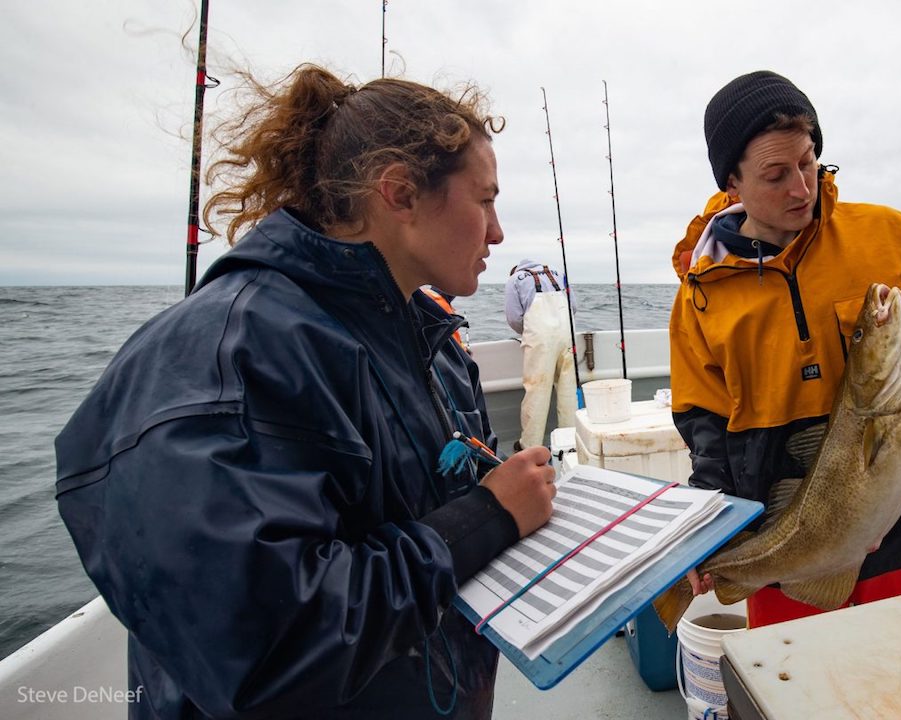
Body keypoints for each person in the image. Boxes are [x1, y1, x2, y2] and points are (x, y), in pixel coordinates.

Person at [54, 64, 557, 719]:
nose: (497, 232)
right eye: (485, 199)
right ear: (400, 193)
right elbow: (272, 649)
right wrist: (488, 517)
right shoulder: (226, 359)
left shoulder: (431, 339)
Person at [669, 70, 901, 627]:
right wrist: (712, 526)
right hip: (787, 539)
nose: (801, 188)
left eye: (808, 162)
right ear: (732, 184)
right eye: (775, 175)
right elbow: (704, 427)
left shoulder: (890, 233)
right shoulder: (702, 293)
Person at [504, 259, 577, 451]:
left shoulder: (515, 279)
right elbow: (573, 307)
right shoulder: (558, 273)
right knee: (568, 388)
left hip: (540, 338)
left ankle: (529, 445)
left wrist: (528, 331)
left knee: (537, 389)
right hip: (567, 334)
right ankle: (570, 442)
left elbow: (514, 317)